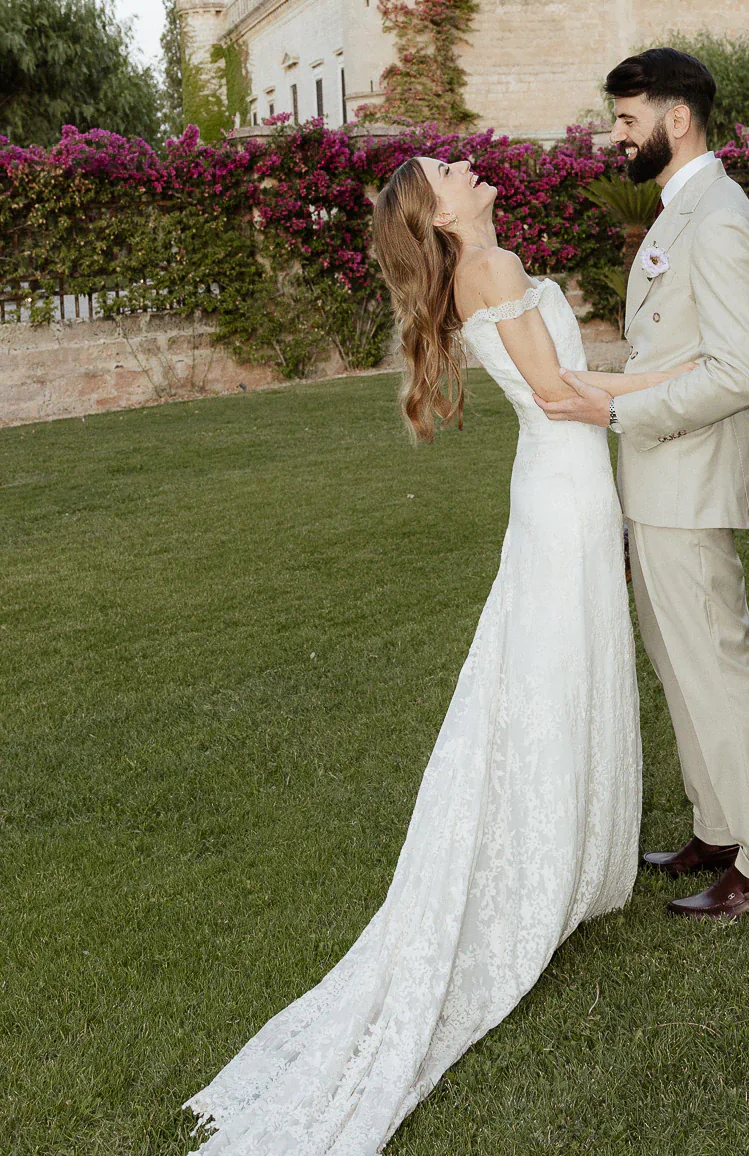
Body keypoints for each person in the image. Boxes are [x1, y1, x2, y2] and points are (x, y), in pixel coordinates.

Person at [184, 152, 689, 1155]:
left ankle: (568, 852)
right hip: (564, 492)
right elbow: (557, 395)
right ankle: (543, 864)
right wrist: (686, 374)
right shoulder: (488, 272)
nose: (467, 163)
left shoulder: (489, 265)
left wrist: (667, 370)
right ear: (440, 214)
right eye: (449, 167)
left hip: (560, 491)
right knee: (550, 679)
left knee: (554, 673)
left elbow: (574, 378)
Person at [536, 47, 749, 920]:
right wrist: (603, 389)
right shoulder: (678, 210)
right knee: (680, 666)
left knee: (717, 670)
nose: (614, 136)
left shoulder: (719, 217)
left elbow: (739, 373)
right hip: (658, 483)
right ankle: (720, 829)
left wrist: (615, 415)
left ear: (677, 118)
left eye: (627, 119)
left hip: (691, 483)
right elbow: (672, 353)